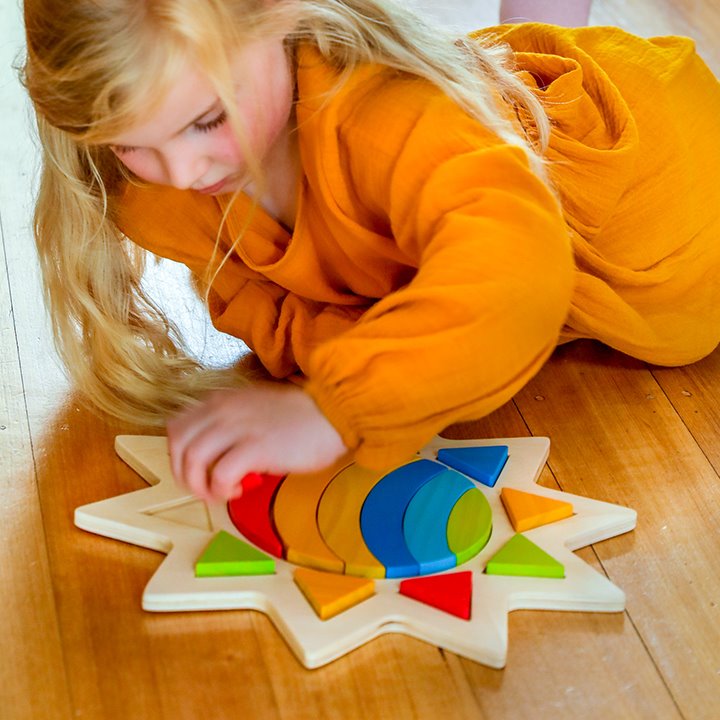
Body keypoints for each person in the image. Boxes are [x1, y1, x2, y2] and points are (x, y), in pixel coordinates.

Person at [22, 0, 720, 502]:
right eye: (130, 143)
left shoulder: (387, 115)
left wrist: (334, 410)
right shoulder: (165, 192)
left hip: (682, 185)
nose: (181, 171)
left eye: (207, 120)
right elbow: (276, 315)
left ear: (278, 16)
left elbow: (519, 274)